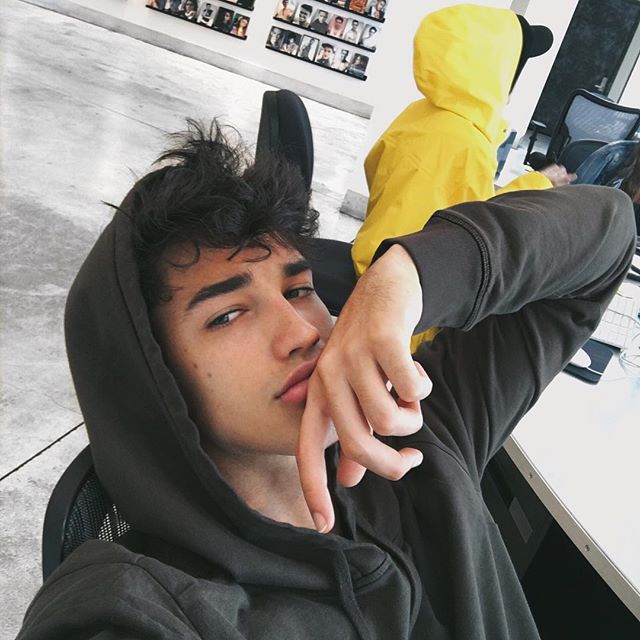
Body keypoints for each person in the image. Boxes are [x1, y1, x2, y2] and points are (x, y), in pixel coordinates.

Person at [16, 119, 635, 639]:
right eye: (227, 314)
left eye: (299, 290)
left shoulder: (419, 438)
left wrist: (408, 277)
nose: (301, 331)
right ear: (154, 377)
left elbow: (607, 230)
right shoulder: (152, 608)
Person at [351, 4, 575, 352]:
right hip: (401, 326)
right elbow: (454, 242)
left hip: (394, 301)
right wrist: (412, 356)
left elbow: (459, 213)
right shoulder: (458, 141)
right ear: (491, 66)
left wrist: (536, 185)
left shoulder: (431, 115)